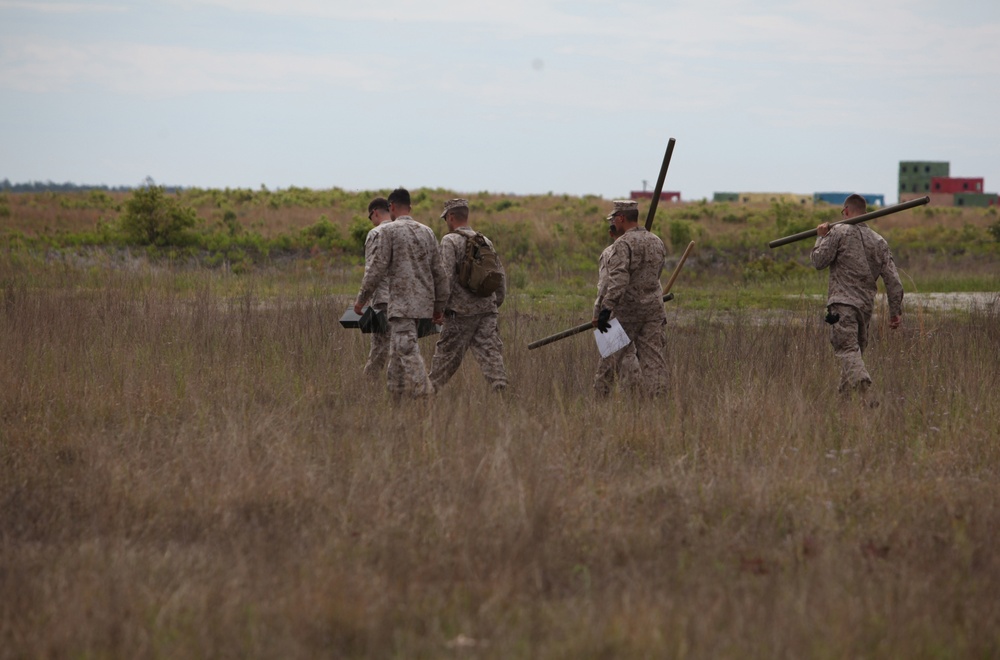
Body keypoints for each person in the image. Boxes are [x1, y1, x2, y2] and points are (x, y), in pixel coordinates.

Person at [354, 188, 447, 401]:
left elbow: (376, 269)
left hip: (401, 305)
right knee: (395, 354)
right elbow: (439, 272)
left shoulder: (387, 232)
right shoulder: (427, 232)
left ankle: (425, 392)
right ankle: (396, 400)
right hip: (423, 305)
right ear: (410, 207)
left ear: (392, 207)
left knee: (405, 347)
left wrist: (361, 299)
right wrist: (439, 307)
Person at [811, 193, 903, 402]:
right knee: (854, 354)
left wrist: (821, 237)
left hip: (841, 306)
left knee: (847, 350)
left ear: (846, 211)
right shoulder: (879, 241)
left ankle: (864, 387)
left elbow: (818, 261)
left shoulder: (838, 232)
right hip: (865, 309)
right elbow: (894, 281)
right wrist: (895, 312)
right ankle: (850, 406)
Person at [428, 198, 508, 393]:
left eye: (446, 217)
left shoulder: (449, 241)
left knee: (444, 361)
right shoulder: (485, 240)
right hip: (487, 311)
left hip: (459, 313)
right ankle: (502, 394)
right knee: (491, 357)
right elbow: (500, 277)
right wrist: (494, 303)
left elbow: (445, 278)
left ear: (451, 217)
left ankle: (426, 396)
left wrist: (438, 309)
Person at [594, 200, 669, 397]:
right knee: (654, 361)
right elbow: (657, 277)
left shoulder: (622, 244)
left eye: (614, 220)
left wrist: (605, 310)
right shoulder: (657, 241)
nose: (614, 224)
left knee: (608, 362)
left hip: (625, 313)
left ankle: (599, 404)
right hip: (653, 311)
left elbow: (617, 281)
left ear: (621, 218)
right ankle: (659, 404)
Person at [592, 223, 641, 397]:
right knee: (632, 357)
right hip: (644, 312)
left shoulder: (609, 253)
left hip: (615, 313)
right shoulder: (646, 248)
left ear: (611, 233)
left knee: (612, 360)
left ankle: (603, 399)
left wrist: (599, 312)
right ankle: (634, 399)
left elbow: (605, 286)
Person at [361, 197, 393, 379]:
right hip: (408, 302)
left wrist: (362, 299)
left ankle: (367, 387)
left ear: (374, 213)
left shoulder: (376, 233)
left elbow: (373, 270)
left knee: (379, 350)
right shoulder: (402, 231)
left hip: (383, 301)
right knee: (404, 349)